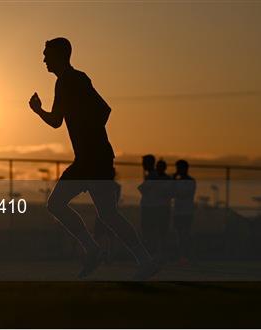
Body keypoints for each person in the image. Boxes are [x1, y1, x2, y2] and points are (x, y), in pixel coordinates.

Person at [29, 37, 158, 280]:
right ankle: (137, 258)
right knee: (105, 214)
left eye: (47, 54)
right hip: (90, 158)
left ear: (60, 55)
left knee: (60, 205)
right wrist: (40, 111)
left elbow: (102, 110)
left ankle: (100, 250)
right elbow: (60, 120)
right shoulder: (66, 82)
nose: (44, 59)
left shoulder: (73, 80)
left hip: (93, 158)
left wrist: (89, 134)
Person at [172, 159, 196, 266]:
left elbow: (183, 194)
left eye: (179, 168)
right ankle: (181, 256)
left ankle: (186, 256)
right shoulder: (176, 181)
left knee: (185, 234)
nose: (178, 170)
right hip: (177, 212)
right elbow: (172, 192)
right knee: (178, 235)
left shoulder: (191, 181)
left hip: (186, 212)